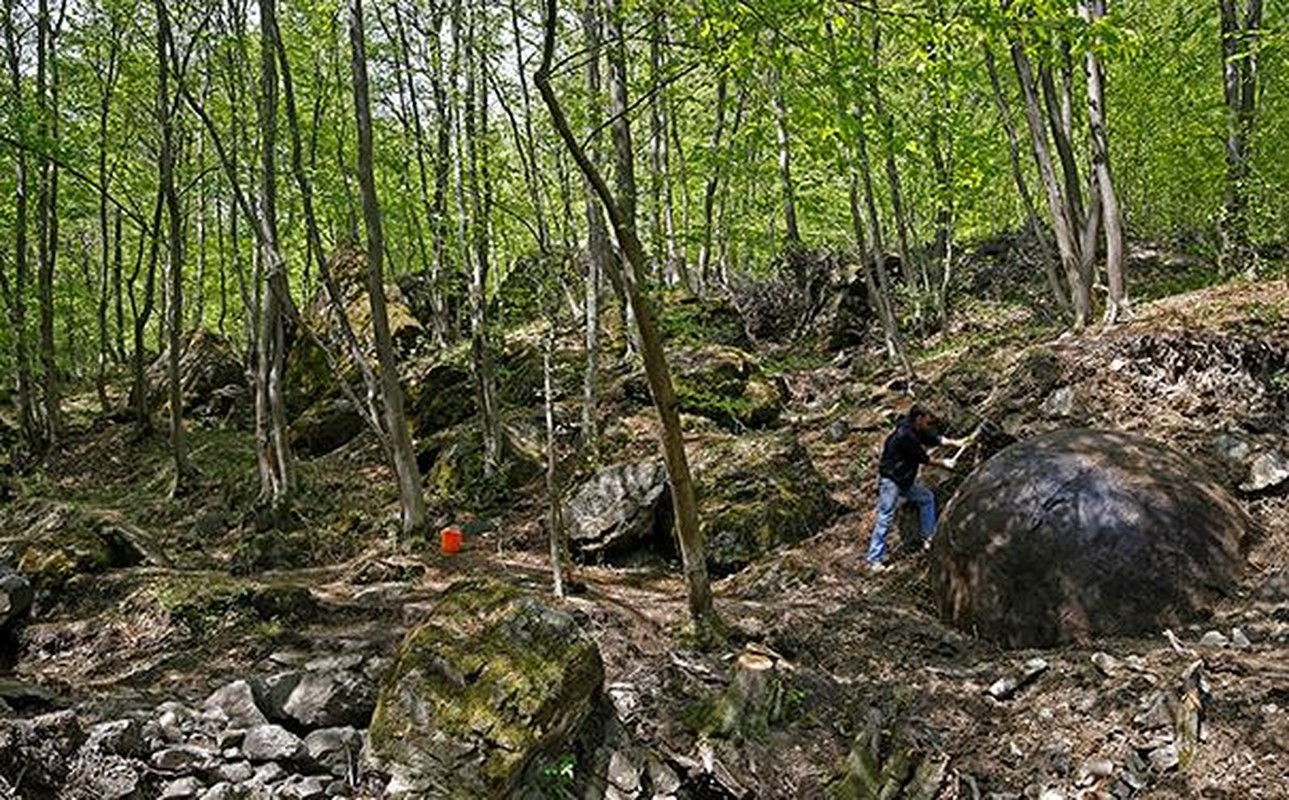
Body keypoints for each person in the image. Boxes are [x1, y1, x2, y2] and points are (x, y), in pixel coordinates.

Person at [864, 405, 972, 572]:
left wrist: (957, 442)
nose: (929, 425)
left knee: (926, 498)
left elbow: (934, 439)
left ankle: (928, 538)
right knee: (885, 517)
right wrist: (945, 463)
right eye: (927, 421)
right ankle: (874, 559)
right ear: (919, 418)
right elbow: (923, 458)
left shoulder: (915, 429)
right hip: (891, 482)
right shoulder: (904, 435)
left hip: (904, 481)